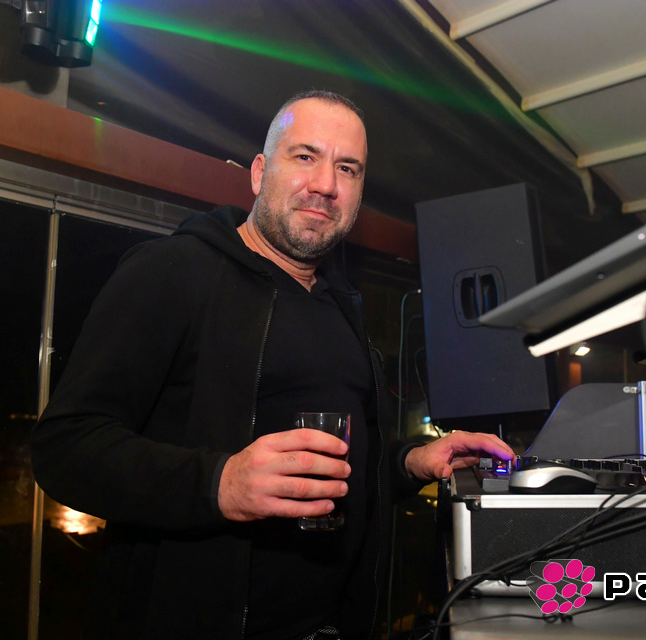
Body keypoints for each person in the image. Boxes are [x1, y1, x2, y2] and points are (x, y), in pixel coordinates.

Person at [30, 90, 515, 640]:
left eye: (347, 168)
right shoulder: (172, 271)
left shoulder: (340, 306)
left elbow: (343, 465)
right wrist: (221, 483)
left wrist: (413, 461)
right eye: (305, 156)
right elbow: (65, 447)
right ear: (260, 172)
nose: (326, 184)